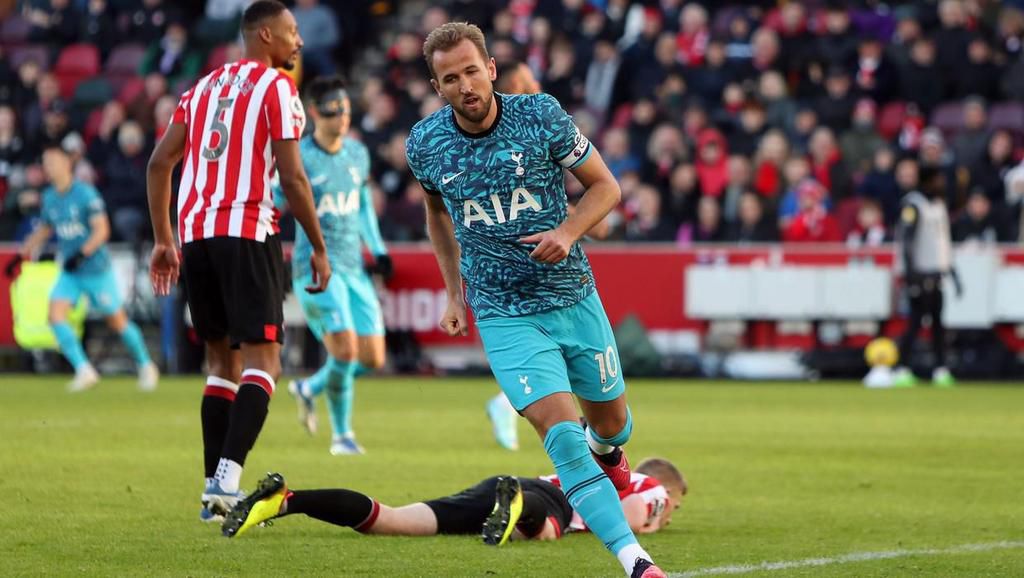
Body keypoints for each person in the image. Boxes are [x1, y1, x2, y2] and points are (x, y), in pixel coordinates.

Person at [406, 22, 665, 578]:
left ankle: (612, 455)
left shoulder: (540, 116)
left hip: (572, 297)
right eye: (450, 78)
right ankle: (636, 562)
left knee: (612, 427)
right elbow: (437, 215)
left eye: (472, 71)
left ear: (492, 70)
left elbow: (606, 186)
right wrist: (455, 294)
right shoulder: (425, 144)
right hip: (503, 314)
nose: (465, 86)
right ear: (437, 85)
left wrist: (568, 233)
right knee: (563, 438)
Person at [146, 0, 331, 522]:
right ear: (266, 35)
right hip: (248, 229)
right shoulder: (278, 88)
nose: (299, 41)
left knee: (221, 365)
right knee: (264, 361)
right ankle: (228, 476)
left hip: (197, 236)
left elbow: (161, 162)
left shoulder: (200, 88)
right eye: (292, 32)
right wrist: (317, 245)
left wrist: (165, 239)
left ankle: (212, 489)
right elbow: (292, 179)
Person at [277, 76, 390, 455]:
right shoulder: (299, 159)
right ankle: (342, 436)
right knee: (344, 351)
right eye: (332, 111)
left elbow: (361, 208)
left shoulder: (358, 154)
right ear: (313, 113)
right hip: (316, 269)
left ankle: (310, 388)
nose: (341, 117)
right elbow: (274, 204)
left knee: (372, 357)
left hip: (353, 267)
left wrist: (379, 249)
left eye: (345, 110)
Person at [222, 457, 687, 544]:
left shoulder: (600, 466)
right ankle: (519, 508)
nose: (670, 514)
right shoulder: (653, 488)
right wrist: (651, 523)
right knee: (548, 529)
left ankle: (287, 500)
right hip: (547, 499)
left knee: (391, 519)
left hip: (504, 484)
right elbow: (627, 520)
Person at [10, 144, 159, 392]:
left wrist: (82, 254)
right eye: (46, 163)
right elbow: (46, 228)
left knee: (117, 321)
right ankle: (84, 369)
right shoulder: (49, 197)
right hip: (70, 272)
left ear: (67, 163)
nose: (49, 167)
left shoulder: (86, 194)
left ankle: (146, 365)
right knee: (55, 314)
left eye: (53, 161)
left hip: (96, 270)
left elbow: (102, 230)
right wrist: (21, 254)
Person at [893, 167, 960, 388]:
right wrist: (911, 273)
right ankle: (902, 368)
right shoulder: (914, 204)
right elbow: (907, 241)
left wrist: (952, 271)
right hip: (919, 273)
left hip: (937, 271)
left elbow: (943, 241)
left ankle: (940, 369)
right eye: (938, 179)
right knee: (914, 323)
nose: (941, 183)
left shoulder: (939, 205)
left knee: (938, 325)